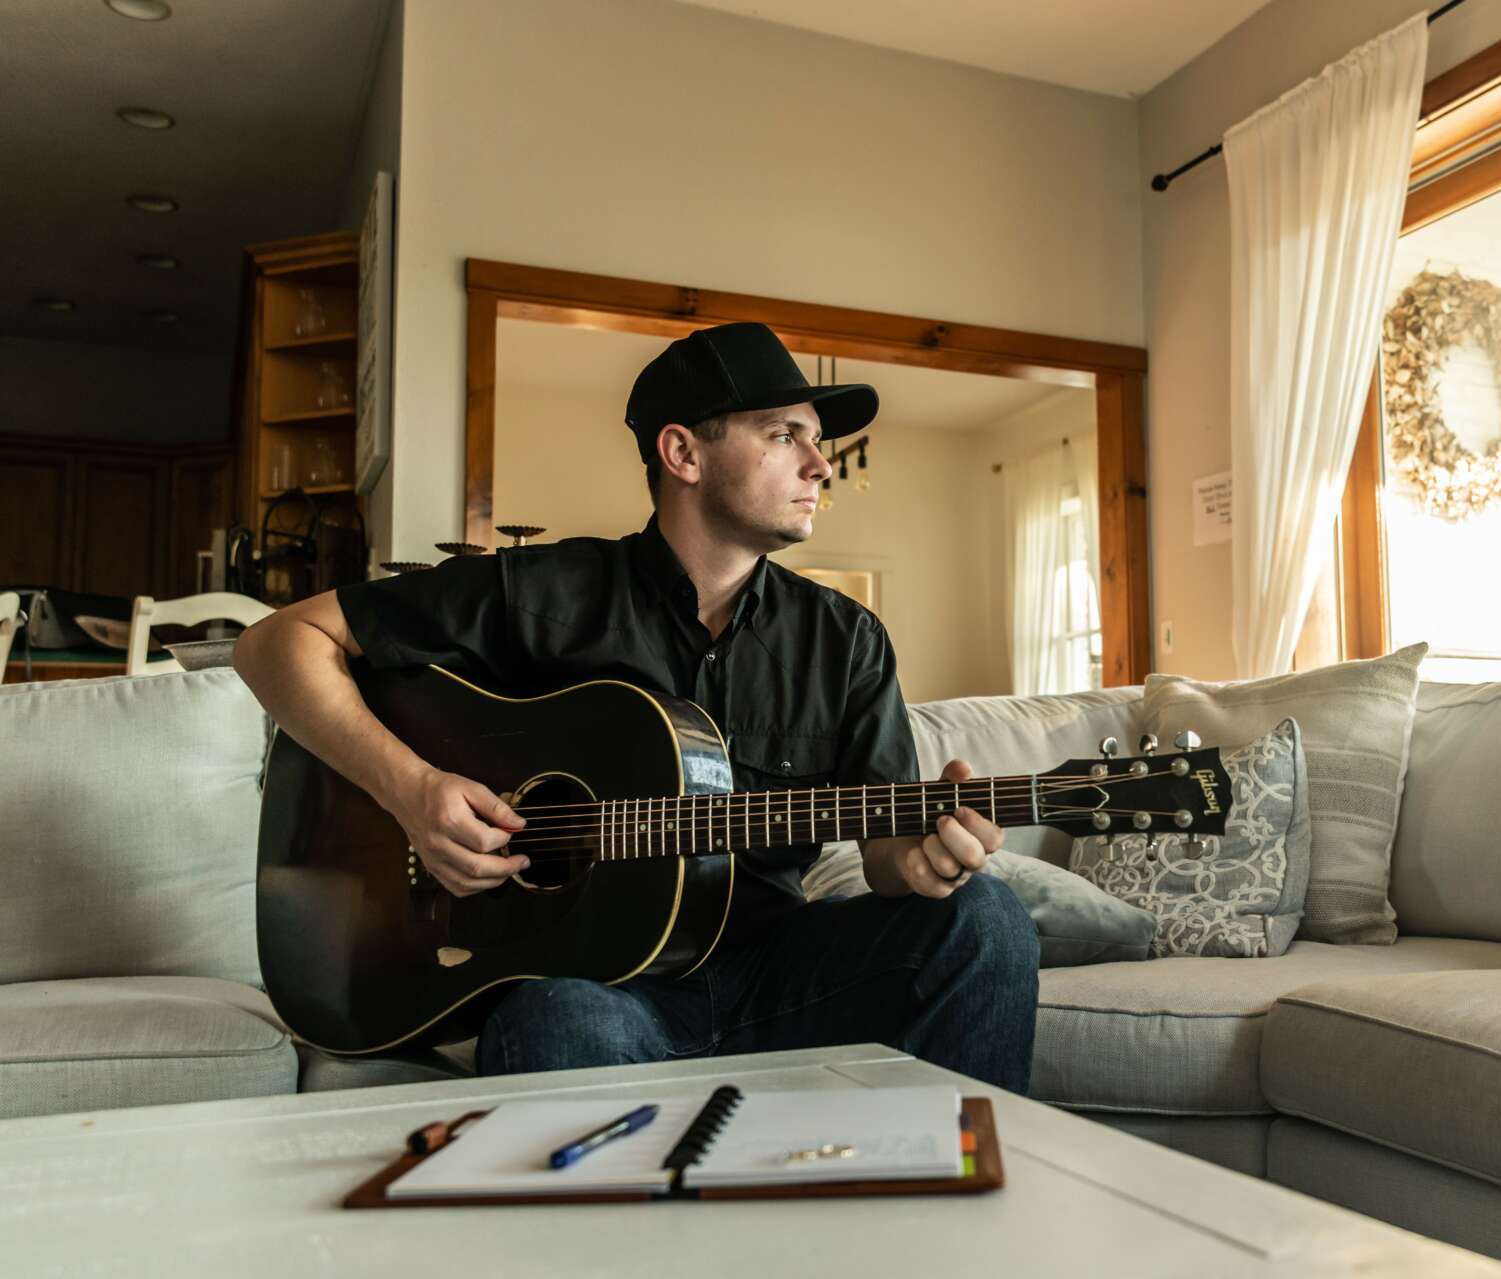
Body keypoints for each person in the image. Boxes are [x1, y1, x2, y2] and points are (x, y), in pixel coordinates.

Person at [231, 322, 1040, 1093]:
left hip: (779, 970)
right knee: (558, 1022)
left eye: (817, 439)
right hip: (601, 992)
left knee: (987, 919)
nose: (820, 465)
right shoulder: (541, 591)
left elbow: (886, 854)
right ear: (682, 452)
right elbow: (274, 643)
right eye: (784, 435)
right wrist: (411, 790)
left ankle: (958, 1185)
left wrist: (924, 861)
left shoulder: (846, 639)